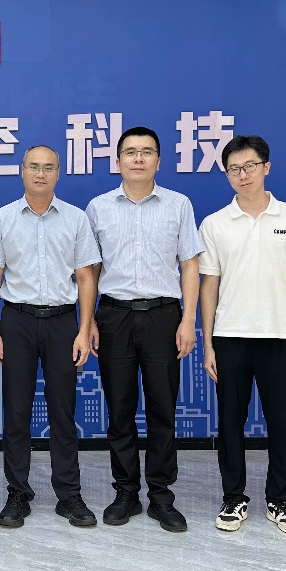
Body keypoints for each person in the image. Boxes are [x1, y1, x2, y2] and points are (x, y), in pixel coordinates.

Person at [199, 135, 286, 536]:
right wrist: (208, 343)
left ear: (266, 167)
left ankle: (279, 500)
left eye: (250, 166)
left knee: (281, 422)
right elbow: (209, 286)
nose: (243, 174)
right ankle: (233, 497)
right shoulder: (215, 223)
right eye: (234, 169)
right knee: (230, 422)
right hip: (230, 335)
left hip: (281, 335)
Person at [84, 126, 201, 533]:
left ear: (158, 161)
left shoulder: (178, 204)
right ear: (117, 161)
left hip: (163, 316)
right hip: (113, 316)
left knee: (162, 409)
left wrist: (189, 320)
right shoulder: (98, 207)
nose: (138, 158)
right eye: (130, 152)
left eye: (146, 152)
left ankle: (162, 496)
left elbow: (190, 264)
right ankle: (126, 492)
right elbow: (89, 270)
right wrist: (88, 321)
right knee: (119, 410)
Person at [0, 145, 101, 528]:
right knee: (16, 412)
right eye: (34, 167)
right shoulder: (2, 218)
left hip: (62, 323)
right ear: (22, 171)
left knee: (63, 413)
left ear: (58, 173)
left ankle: (69, 495)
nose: (40, 174)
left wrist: (84, 329)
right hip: (16, 321)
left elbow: (85, 277)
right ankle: (17, 493)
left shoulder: (76, 218)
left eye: (48, 168)